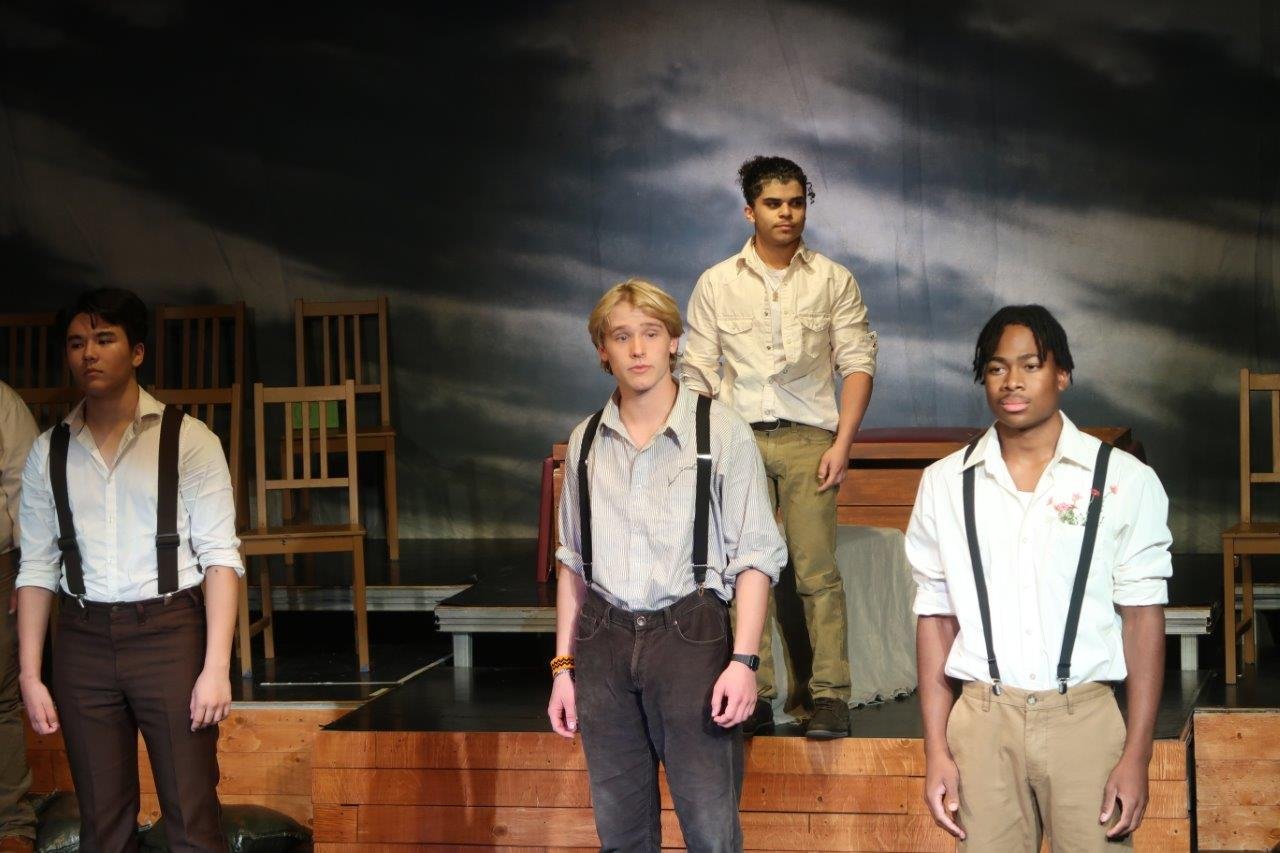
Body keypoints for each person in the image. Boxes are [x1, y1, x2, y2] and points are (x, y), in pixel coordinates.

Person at [908, 305, 1171, 850]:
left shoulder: (1123, 479)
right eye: (998, 367)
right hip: (981, 719)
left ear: (1062, 374)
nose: (1013, 382)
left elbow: (1143, 619)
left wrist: (1138, 754)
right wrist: (936, 749)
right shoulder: (943, 484)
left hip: (1086, 718)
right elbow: (935, 620)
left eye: (1030, 365)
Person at [548, 278, 786, 852]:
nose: (637, 350)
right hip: (604, 641)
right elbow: (572, 564)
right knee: (621, 831)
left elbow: (755, 554)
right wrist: (563, 667)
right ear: (602, 350)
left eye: (650, 334)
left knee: (710, 827)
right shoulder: (584, 442)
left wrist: (744, 661)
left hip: (689, 635)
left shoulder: (719, 430)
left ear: (673, 342)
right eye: (621, 336)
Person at [16, 288, 244, 852]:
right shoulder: (49, 452)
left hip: (169, 633)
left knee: (192, 820)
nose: (88, 353)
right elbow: (38, 567)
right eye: (76, 342)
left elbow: (221, 558)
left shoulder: (188, 440)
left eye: (103, 338)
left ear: (136, 352)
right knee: (103, 826)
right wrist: (28, 673)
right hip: (84, 641)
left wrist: (216, 666)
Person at [683, 155, 877, 738]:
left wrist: (842, 443)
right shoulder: (717, 282)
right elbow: (695, 370)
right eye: (774, 203)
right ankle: (755, 695)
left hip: (809, 438)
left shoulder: (833, 279)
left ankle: (830, 697)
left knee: (817, 573)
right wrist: (713, 441)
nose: (787, 213)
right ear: (750, 210)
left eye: (796, 202)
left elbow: (858, 363)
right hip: (737, 440)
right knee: (747, 571)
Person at [0, 382, 38, 852]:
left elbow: (23, 485)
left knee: (2, 699)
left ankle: (11, 822)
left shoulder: (3, 401)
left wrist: (27, 569)